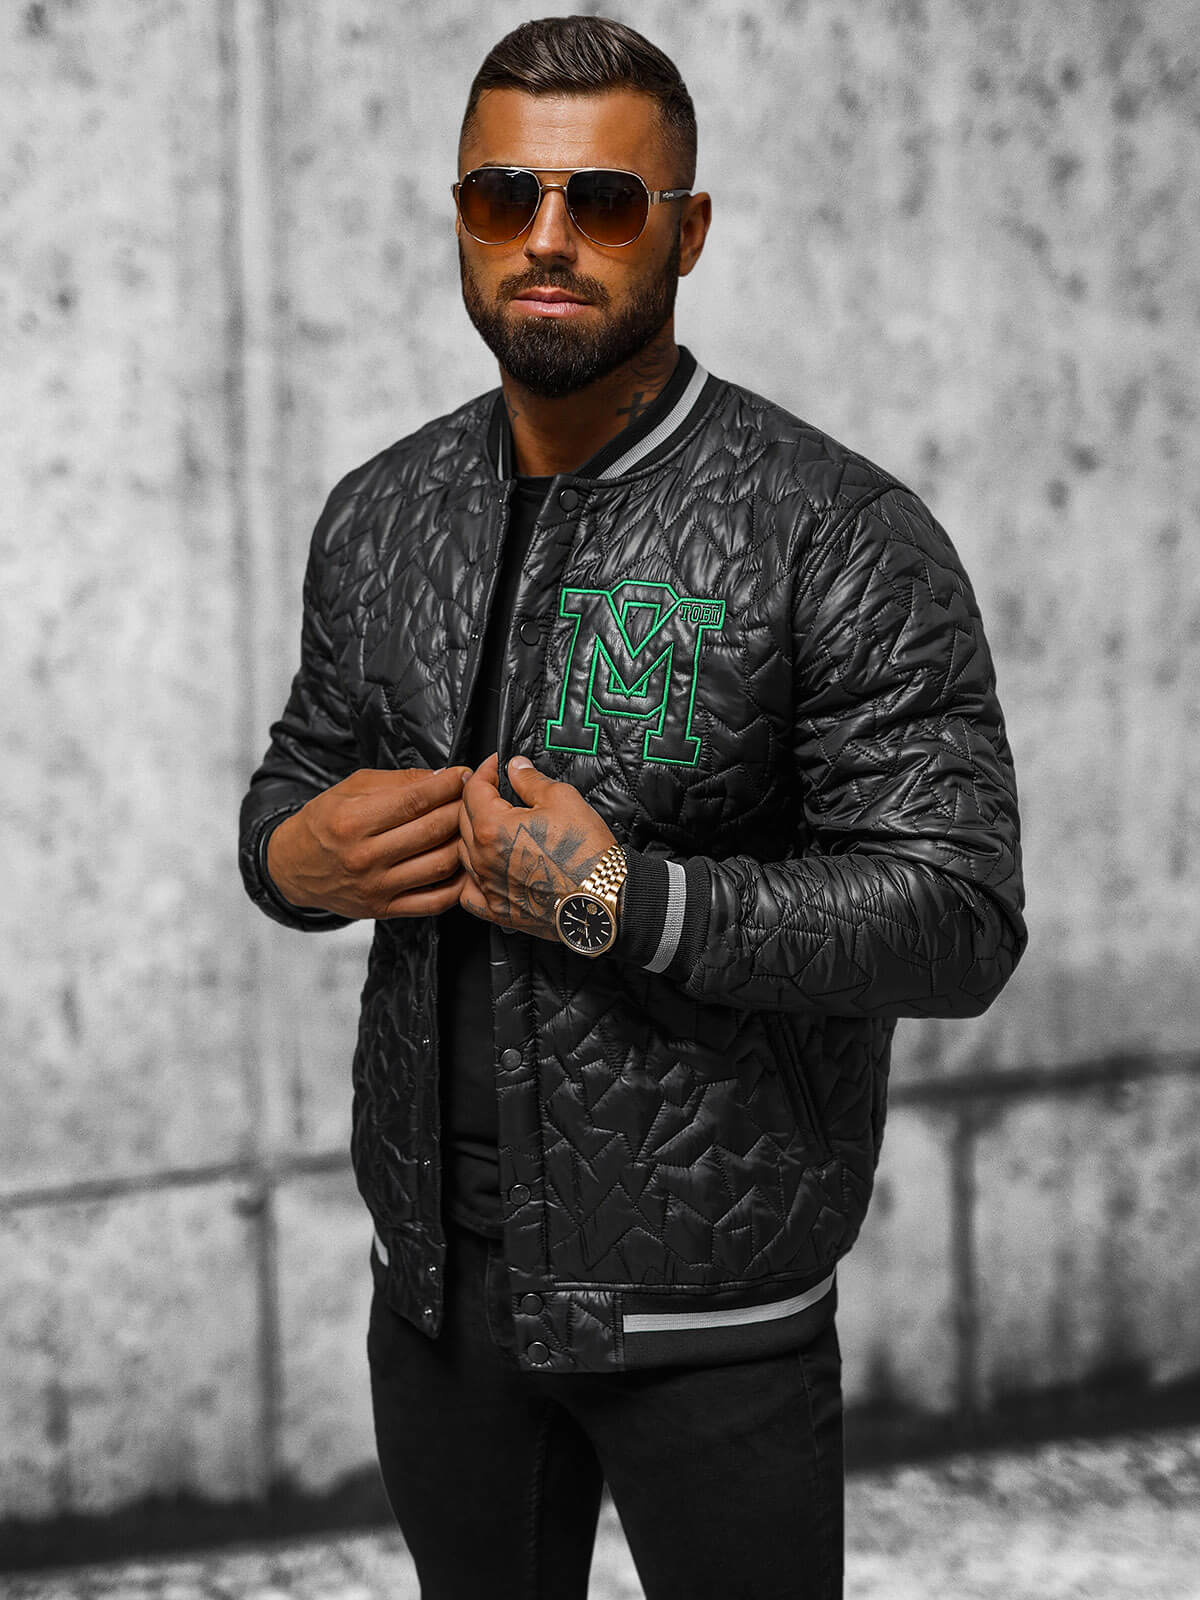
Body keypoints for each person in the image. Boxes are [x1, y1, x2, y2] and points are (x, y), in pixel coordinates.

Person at [237, 15, 1027, 1599]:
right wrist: (289, 860)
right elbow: (297, 781)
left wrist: (627, 901)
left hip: (711, 1318)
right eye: (503, 197)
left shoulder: (834, 532)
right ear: (462, 216)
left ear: (688, 230)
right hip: (440, 1301)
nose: (546, 238)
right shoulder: (380, 512)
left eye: (602, 202)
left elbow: (956, 919)